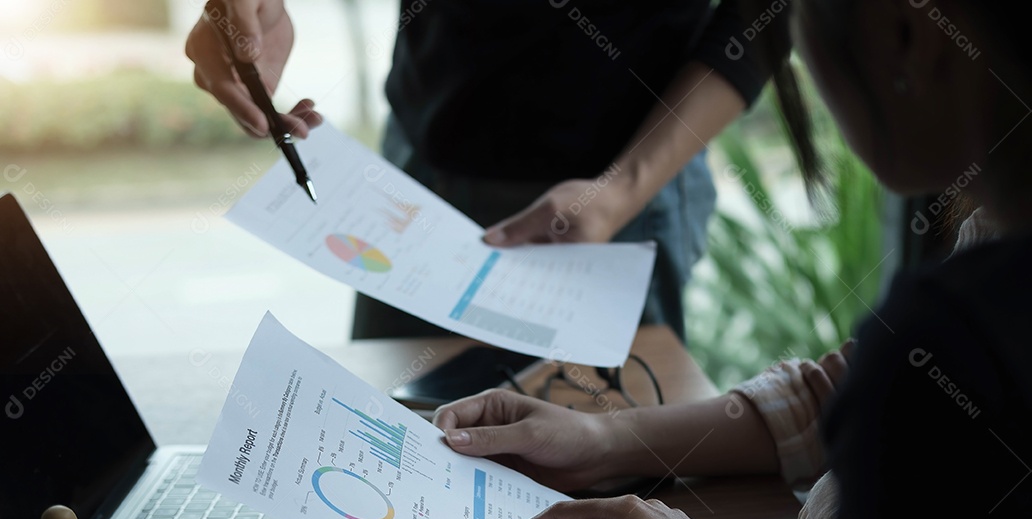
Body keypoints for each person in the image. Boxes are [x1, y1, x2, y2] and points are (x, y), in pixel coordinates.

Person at [348, 0, 1032, 519]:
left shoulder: (960, 329)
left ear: (904, 35)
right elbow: (828, 395)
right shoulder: (983, 257)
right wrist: (601, 442)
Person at [185, 0, 814, 341]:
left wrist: (623, 188)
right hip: (415, 165)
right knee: (395, 454)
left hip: (616, 191)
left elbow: (767, 12)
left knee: (605, 502)